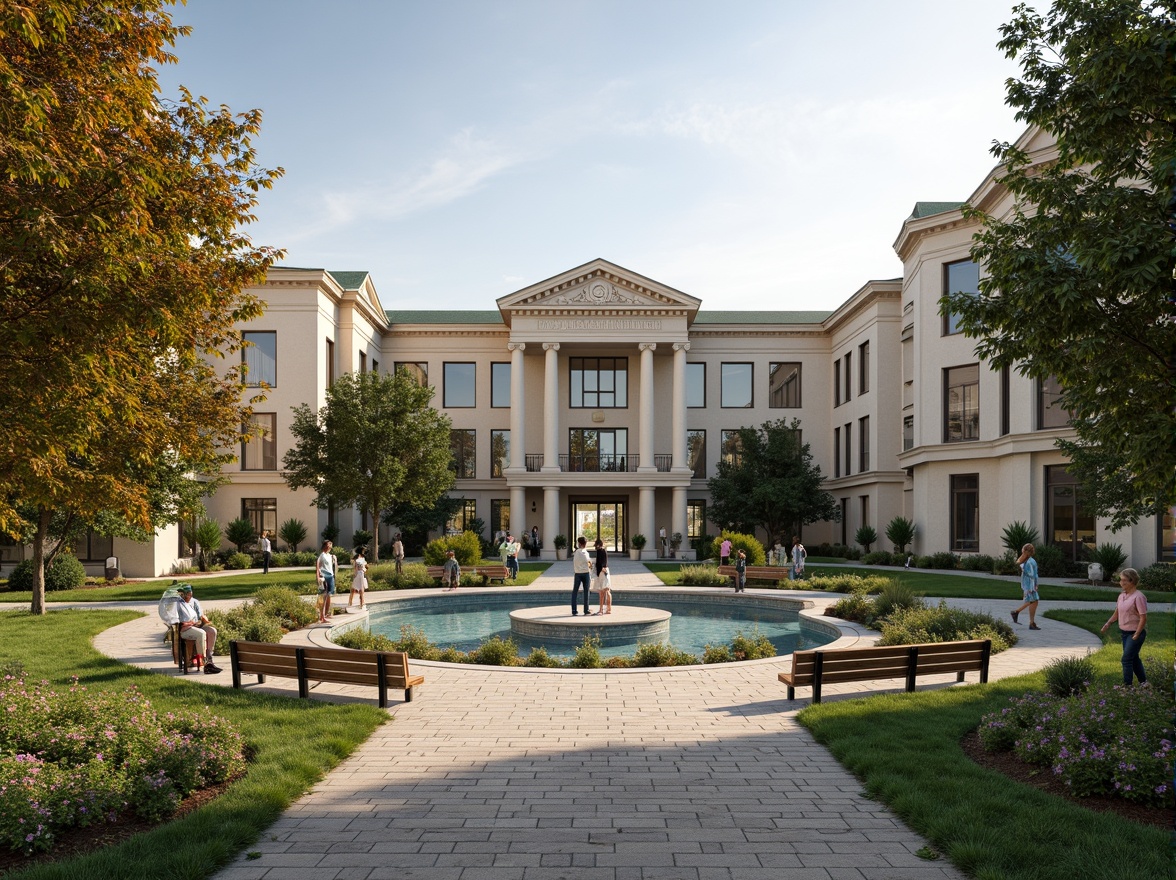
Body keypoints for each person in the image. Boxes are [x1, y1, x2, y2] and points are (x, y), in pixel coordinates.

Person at [1101, 567, 1148, 685]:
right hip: (1124, 633)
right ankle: (1144, 683)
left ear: (1132, 581)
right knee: (1134, 659)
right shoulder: (1121, 596)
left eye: (1124, 580)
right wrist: (1108, 623)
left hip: (1135, 633)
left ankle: (1127, 686)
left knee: (1126, 659)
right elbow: (1117, 613)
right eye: (1120, 580)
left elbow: (1143, 617)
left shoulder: (1139, 597)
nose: (1121, 583)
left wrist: (1137, 634)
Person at [176, 583, 222, 673]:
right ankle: (206, 664)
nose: (188, 596)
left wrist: (204, 619)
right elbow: (175, 619)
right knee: (201, 633)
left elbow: (200, 615)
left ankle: (210, 659)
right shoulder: (178, 604)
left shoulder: (195, 601)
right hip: (185, 629)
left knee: (212, 631)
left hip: (197, 626)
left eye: (190, 594)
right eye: (186, 594)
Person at [1010, 543, 1040, 630]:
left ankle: (1031, 622)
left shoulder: (1026, 561)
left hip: (1029, 584)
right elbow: (1032, 575)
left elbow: (1031, 574)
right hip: (1030, 585)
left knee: (1034, 601)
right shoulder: (1030, 561)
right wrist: (1034, 585)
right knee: (1032, 600)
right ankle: (1016, 612)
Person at [316, 539, 336, 623]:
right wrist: (318, 578)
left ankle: (326, 614)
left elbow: (334, 567)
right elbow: (317, 568)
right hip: (324, 577)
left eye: (331, 544)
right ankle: (322, 617)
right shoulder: (322, 556)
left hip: (330, 577)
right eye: (329, 544)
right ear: (325, 546)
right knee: (323, 597)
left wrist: (334, 559)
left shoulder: (329, 556)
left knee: (329, 596)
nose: (330, 546)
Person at [571, 536, 592, 615]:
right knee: (586, 592)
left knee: (575, 592)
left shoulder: (576, 553)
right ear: (585, 544)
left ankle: (574, 610)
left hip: (577, 573)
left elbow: (575, 562)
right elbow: (589, 563)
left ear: (579, 543)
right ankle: (586, 609)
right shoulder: (586, 553)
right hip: (586, 573)